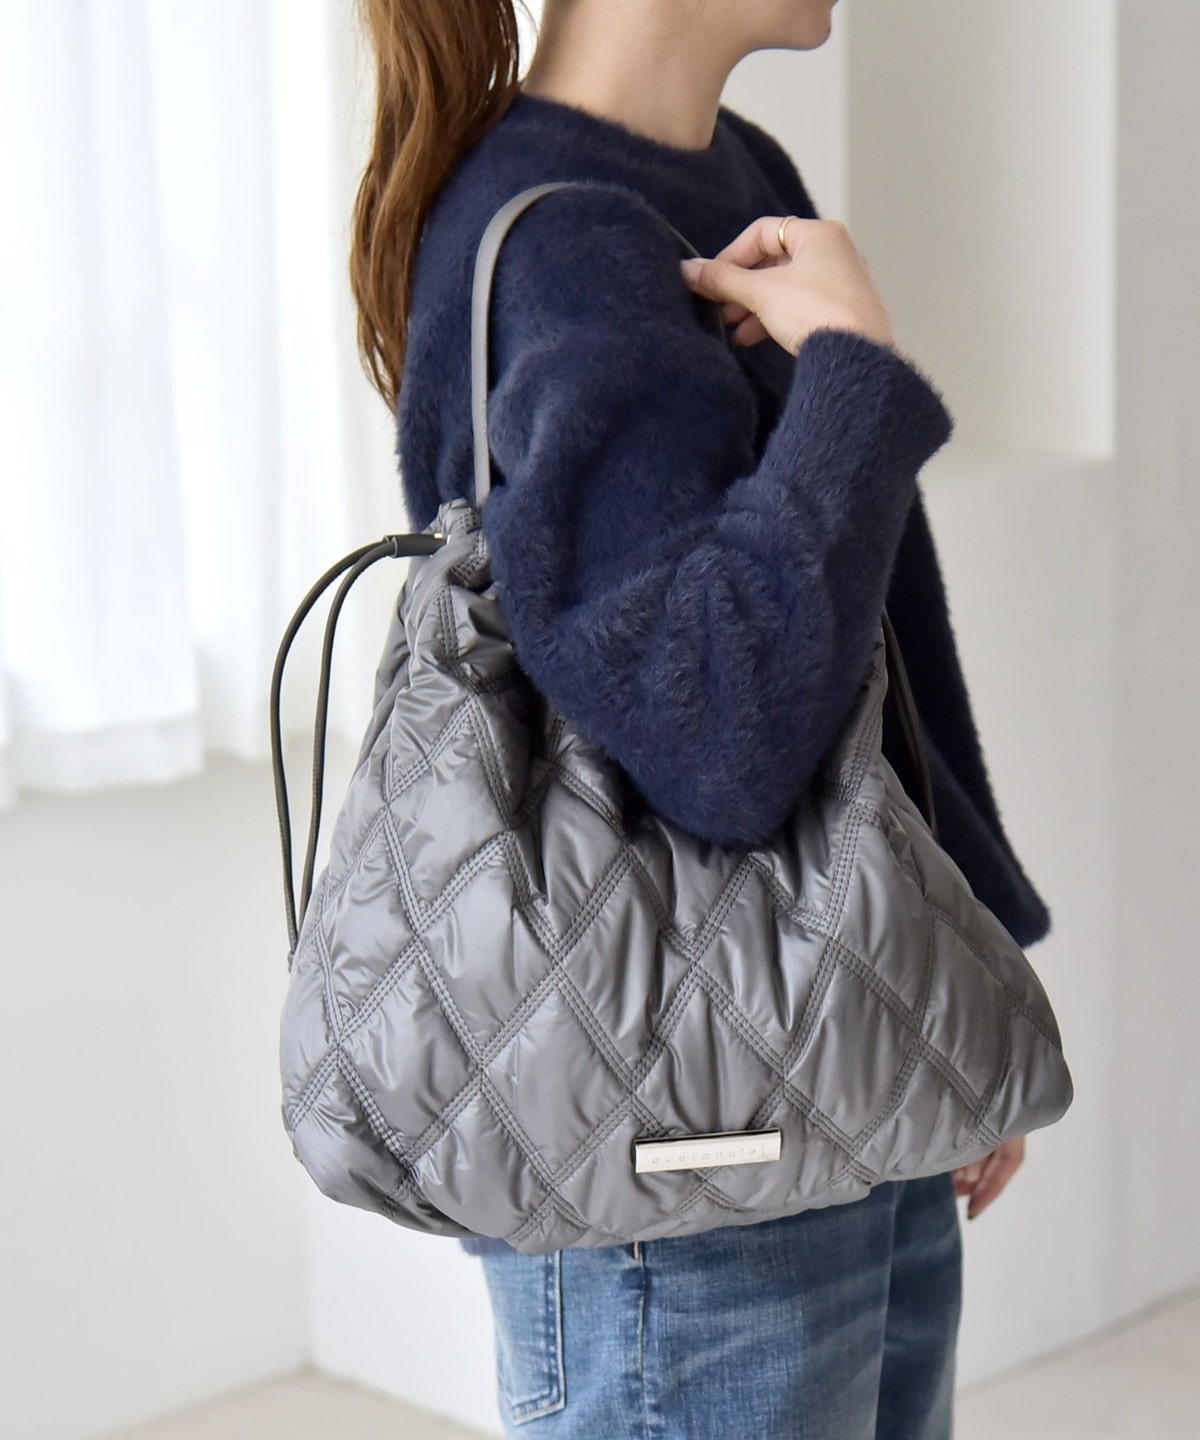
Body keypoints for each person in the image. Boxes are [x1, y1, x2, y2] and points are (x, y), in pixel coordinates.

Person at [348, 1, 1051, 1434]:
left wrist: (957, 977)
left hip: (828, 1066)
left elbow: (876, 636)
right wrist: (850, 370)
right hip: (678, 1189)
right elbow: (714, 737)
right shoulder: (562, 240)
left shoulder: (741, 173)